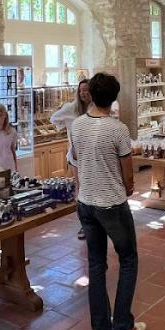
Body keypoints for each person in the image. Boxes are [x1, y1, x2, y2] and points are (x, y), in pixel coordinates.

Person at [68, 73, 144, 330]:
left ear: (90, 94)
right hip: (111, 203)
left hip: (85, 203)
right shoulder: (117, 129)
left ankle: (100, 328)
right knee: (128, 259)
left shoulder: (77, 125)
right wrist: (128, 188)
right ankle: (121, 325)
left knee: (96, 264)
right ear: (114, 97)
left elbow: (76, 159)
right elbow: (127, 173)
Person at [51, 80, 91, 239]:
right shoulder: (71, 108)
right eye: (81, 90)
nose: (84, 93)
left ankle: (94, 223)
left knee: (91, 189)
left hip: (93, 156)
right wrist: (65, 130)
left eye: (87, 90)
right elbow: (54, 119)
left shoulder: (95, 107)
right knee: (81, 189)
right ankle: (84, 225)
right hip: (76, 157)